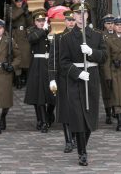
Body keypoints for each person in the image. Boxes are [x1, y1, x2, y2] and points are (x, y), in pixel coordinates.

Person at [60, 3, 107, 166]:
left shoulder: (96, 35)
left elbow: (105, 56)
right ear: (74, 15)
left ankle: (82, 146)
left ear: (87, 15)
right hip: (76, 80)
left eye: (83, 12)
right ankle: (82, 153)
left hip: (92, 78)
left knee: (90, 117)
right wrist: (78, 73)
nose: (80, 16)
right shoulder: (66, 38)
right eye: (77, 13)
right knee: (78, 117)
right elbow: (63, 62)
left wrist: (92, 52)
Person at [48, 10, 76, 153]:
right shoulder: (58, 38)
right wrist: (52, 79)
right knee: (65, 109)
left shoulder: (82, 37)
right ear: (64, 21)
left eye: (73, 20)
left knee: (77, 109)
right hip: (63, 78)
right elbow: (53, 60)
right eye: (68, 20)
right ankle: (68, 140)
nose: (71, 22)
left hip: (77, 78)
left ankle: (77, 137)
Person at [24, 8, 55, 133]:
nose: (41, 22)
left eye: (43, 20)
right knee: (40, 94)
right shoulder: (32, 31)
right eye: (39, 20)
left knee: (53, 93)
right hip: (38, 64)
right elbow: (32, 39)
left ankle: (48, 115)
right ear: (34, 22)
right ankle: (42, 121)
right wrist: (44, 29)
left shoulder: (51, 29)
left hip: (50, 63)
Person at [11, 0, 32, 89]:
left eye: (21, 1)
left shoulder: (24, 9)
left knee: (26, 57)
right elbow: (12, 17)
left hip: (24, 35)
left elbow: (30, 24)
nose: (19, 3)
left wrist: (27, 14)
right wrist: (21, 10)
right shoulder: (11, 8)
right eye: (17, 1)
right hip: (15, 35)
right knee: (17, 56)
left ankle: (26, 79)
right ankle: (17, 79)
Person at [99, 14, 115, 124]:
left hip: (117, 69)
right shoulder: (101, 36)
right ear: (104, 25)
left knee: (116, 91)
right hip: (105, 67)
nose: (111, 25)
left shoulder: (119, 34)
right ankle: (108, 113)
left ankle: (116, 111)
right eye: (108, 23)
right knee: (107, 92)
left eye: (112, 23)